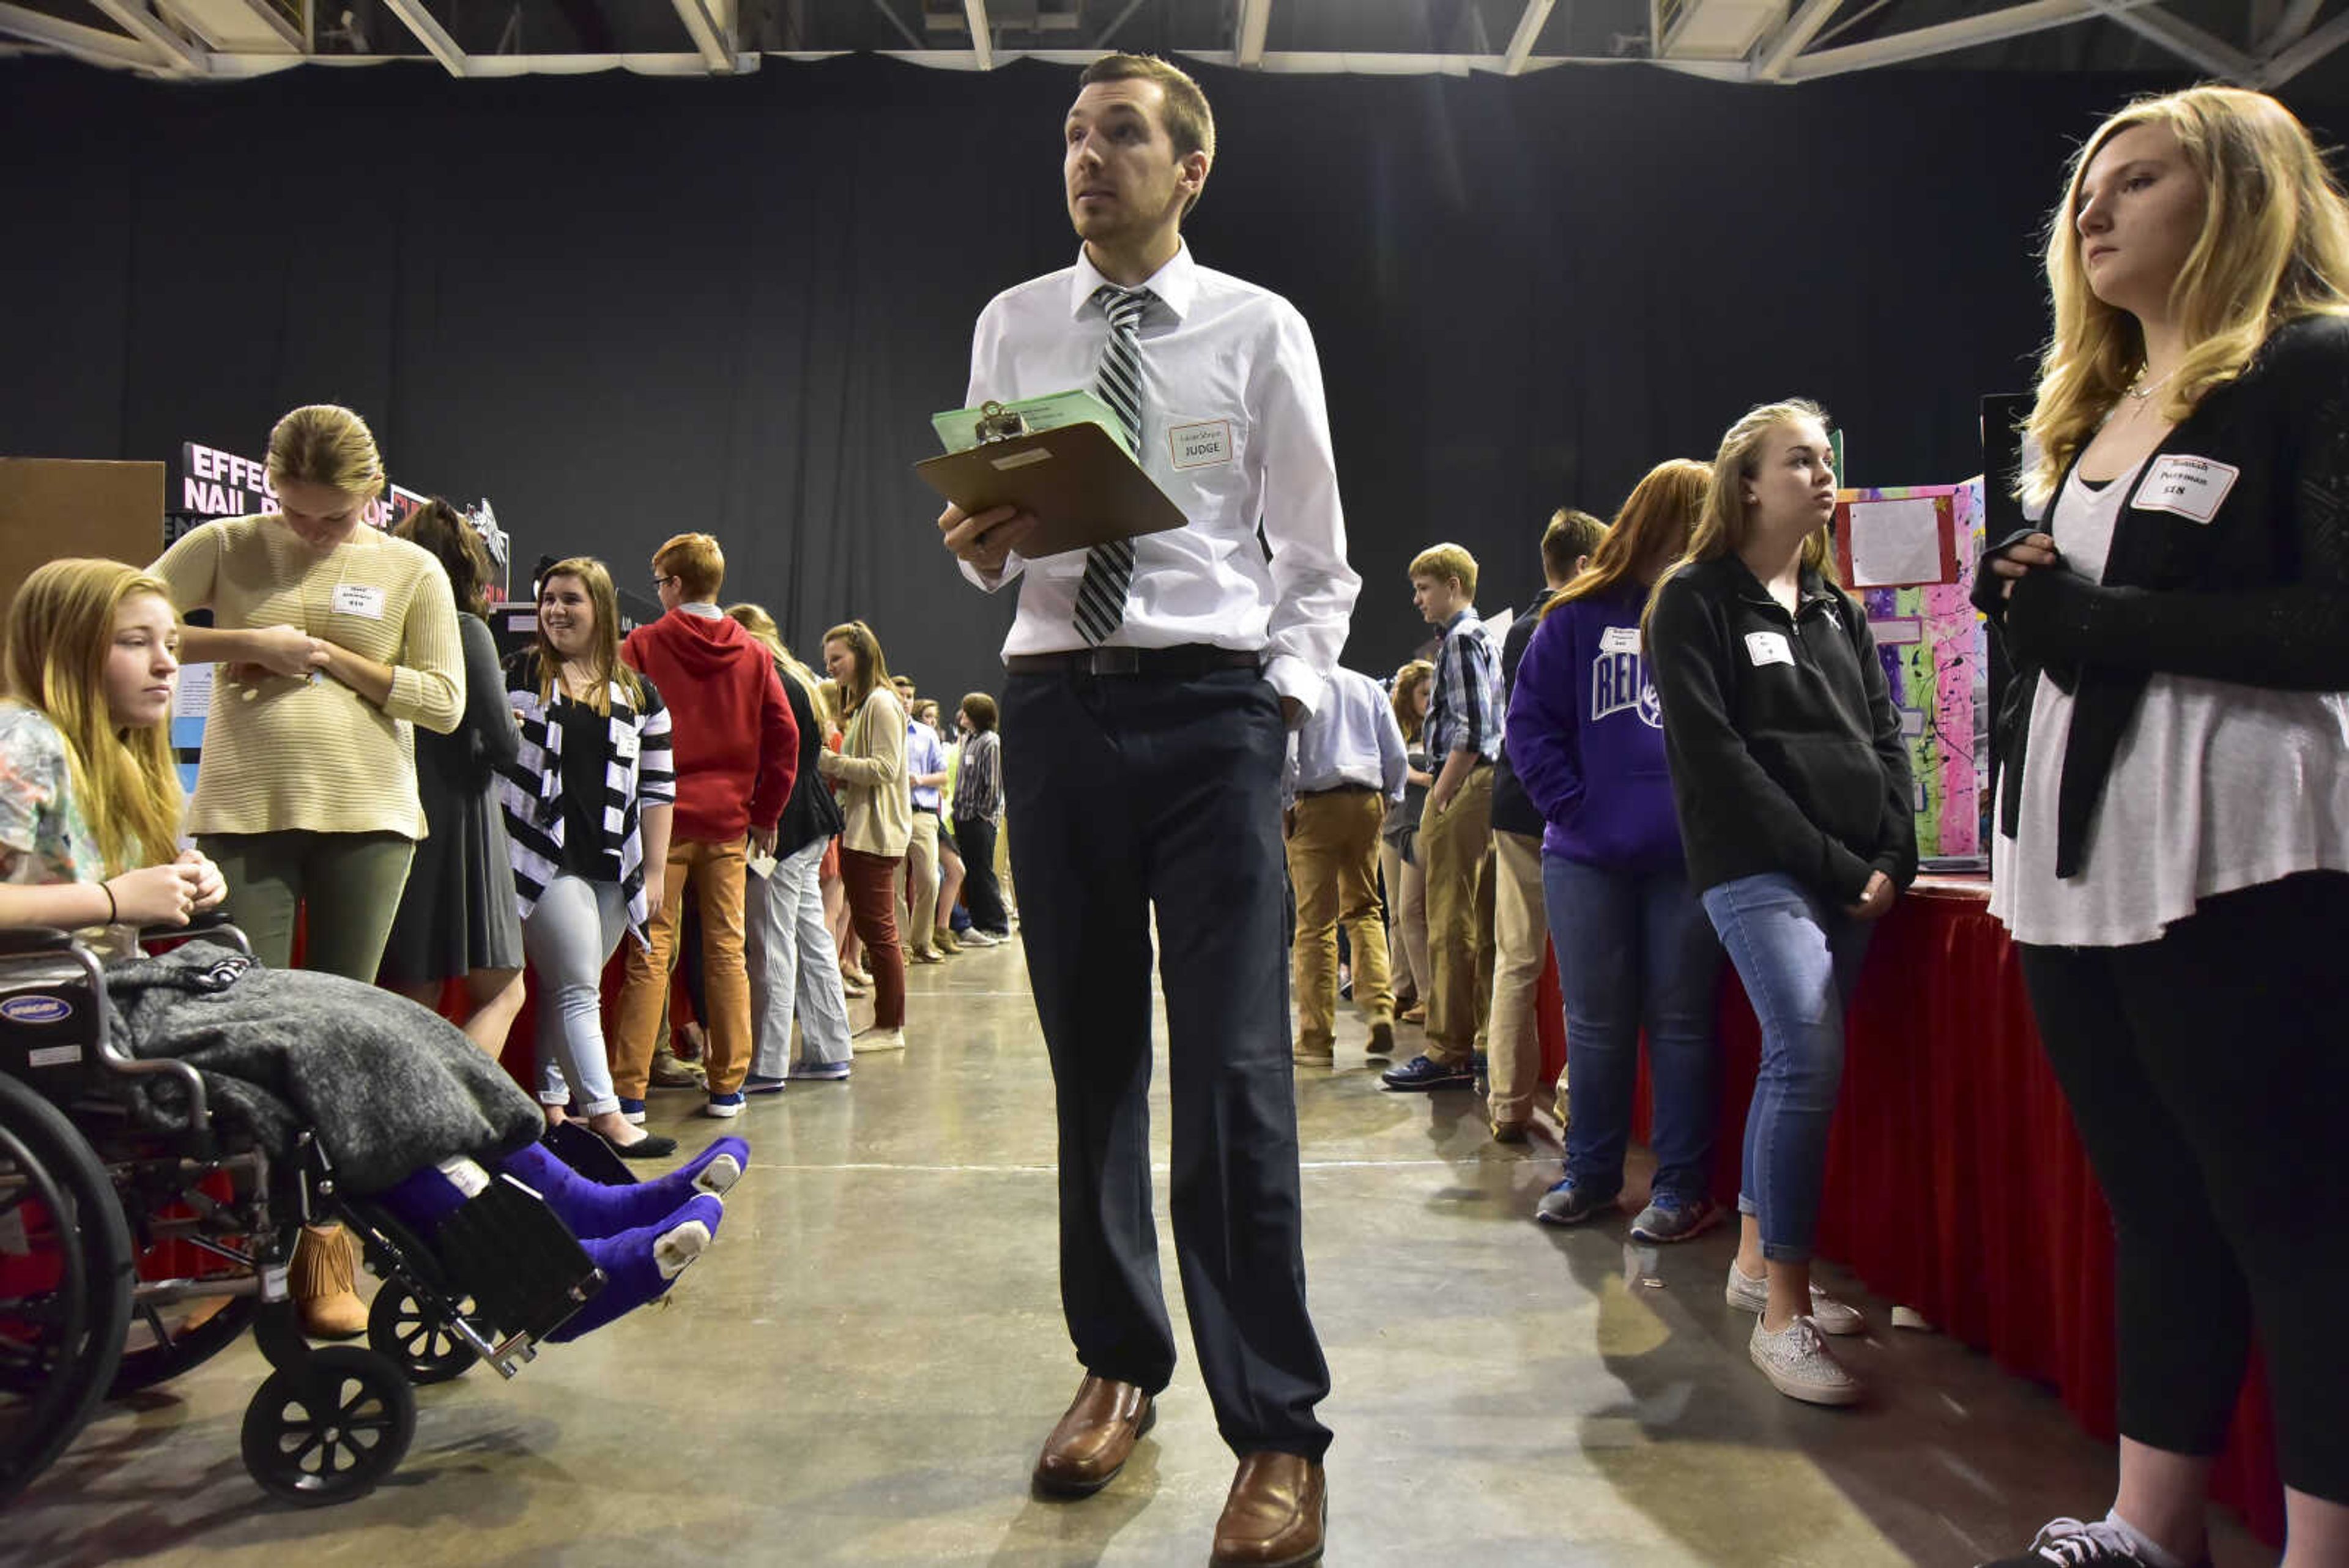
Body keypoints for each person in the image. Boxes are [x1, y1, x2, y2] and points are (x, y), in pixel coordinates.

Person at [935, 51, 1356, 1567]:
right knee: (1094, 1066)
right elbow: (993, 545)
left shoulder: (1258, 328)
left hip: (1207, 713)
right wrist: (977, 539)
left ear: (1190, 169)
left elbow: (1316, 559)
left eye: (1120, 133)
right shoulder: (1013, 322)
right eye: (1071, 133)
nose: (1084, 155)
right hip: (1053, 708)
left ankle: (1278, 1432)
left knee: (1236, 1077)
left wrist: (1283, 706)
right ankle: (1117, 1363)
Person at [0, 559, 738, 1345]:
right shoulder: (24, 740)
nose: (166, 662)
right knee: (354, 1046)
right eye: (134, 643)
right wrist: (119, 900)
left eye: (169, 641)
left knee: (389, 1021)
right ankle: (559, 1266)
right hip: (77, 1013)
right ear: (69, 649)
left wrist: (170, 881)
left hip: (128, 993)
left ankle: (580, 1206)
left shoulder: (103, 751)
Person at [1974, 87, 2349, 1568]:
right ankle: (2148, 1523)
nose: (2092, 209)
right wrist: (2033, 590)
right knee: (2156, 1210)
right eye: (2084, 189)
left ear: (2243, 197)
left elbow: (2332, 617)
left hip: (2242, 850)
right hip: (2081, 868)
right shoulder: (2096, 408)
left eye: (2136, 181)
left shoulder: (2316, 364)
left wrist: (2088, 612)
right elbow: (2079, 634)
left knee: (2296, 1223)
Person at [147, 403, 466, 1340]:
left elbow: (443, 703)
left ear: (375, 491)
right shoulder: (226, 543)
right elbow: (118, 628)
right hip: (244, 815)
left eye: (334, 515)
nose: (314, 531)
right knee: (236, 1043)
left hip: (369, 818)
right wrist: (245, 641)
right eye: (296, 510)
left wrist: (329, 657)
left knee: (334, 1040)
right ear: (269, 485)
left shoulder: (412, 565)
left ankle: (327, 1249)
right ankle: (237, 1251)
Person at [1647, 399, 1916, 1408]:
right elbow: (1716, 760)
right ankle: (1784, 1315)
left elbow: (1885, 737)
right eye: (1799, 459)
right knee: (1806, 1052)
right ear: (1747, 483)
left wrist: (1898, 848)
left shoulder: (1838, 608)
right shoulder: (1695, 599)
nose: (1823, 474)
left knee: (1793, 1061)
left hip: (1851, 866)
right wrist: (1837, 865)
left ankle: (1759, 1261)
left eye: (1826, 459)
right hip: (1757, 868)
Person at [1510, 460, 1724, 1241]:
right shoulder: (1574, 616)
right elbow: (1528, 727)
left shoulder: (1714, 611)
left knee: (1681, 1024)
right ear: (1659, 520)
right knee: (1597, 1025)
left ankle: (1680, 1187)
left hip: (1688, 862)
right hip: (1588, 857)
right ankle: (1592, 1174)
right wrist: (1577, 808)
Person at [499, 558, 679, 1160]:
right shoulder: (518, 673)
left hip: (610, 866)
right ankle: (608, 1114)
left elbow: (657, 789)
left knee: (563, 984)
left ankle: (552, 1105)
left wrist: (653, 872)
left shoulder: (638, 692)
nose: (556, 610)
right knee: (579, 986)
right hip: (537, 859)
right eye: (548, 598)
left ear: (600, 607)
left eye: (571, 599)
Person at [612, 534, 796, 1119]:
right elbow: (785, 736)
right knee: (726, 952)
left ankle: (629, 1092)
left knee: (650, 951)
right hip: (726, 827)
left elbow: (618, 725)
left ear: (672, 584)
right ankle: (727, 1086)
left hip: (656, 824)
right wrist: (765, 812)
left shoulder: (641, 644)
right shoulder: (753, 652)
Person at [376, 500, 527, 1060]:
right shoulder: (466, 630)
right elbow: (504, 745)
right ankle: (451, 1117)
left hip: (400, 808)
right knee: (505, 991)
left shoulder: (388, 631)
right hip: (463, 819)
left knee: (415, 989)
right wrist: (504, 725)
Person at [1482, 508, 1605, 1140]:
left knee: (1518, 957)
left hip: (1516, 809)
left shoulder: (1522, 628)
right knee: (1581, 965)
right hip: (1569, 811)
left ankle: (1506, 1102)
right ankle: (1572, 1100)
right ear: (1584, 565)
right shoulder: (1580, 626)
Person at [1381, 544, 1501, 1094]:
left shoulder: (1459, 640)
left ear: (1454, 585)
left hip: (1465, 786)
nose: (1417, 599)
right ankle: (1473, 1044)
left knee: (1447, 921)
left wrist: (1442, 794)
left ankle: (1448, 1050)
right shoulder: (1478, 640)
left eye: (1425, 588)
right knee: (1468, 920)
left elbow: (1471, 732)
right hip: (1481, 788)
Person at [724, 603, 854, 1090]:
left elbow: (775, 757)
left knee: (772, 944)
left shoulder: (766, 677)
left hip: (782, 827)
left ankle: (768, 1062)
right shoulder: (796, 676)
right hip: (811, 819)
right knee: (811, 938)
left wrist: (764, 817)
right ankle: (829, 1049)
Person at [1282, 666, 1408, 1065]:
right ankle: (1379, 1009)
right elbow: (1396, 752)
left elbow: (1288, 748)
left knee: (1315, 924)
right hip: (1367, 798)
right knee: (1365, 909)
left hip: (1317, 802)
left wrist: (1285, 802)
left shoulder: (1300, 683)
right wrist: (1393, 793)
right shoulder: (1368, 686)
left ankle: (1316, 1040)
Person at [815, 620, 910, 1051]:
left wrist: (831, 763)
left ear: (861, 654)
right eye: (828, 661)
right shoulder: (869, 703)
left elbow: (886, 769)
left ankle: (890, 1025)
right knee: (876, 930)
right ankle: (887, 1021)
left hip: (874, 834)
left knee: (880, 933)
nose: (831, 667)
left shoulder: (882, 704)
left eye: (838, 658)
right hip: (862, 831)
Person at [1380, 660, 1435, 1025]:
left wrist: (1408, 774)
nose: (1429, 701)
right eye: (1423, 693)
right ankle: (1402, 990)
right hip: (1391, 826)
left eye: (1433, 693)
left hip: (1419, 824)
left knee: (1413, 911)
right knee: (1397, 916)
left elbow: (1435, 775)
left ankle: (1431, 997)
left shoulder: (1438, 727)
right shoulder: (1395, 728)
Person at [950, 693, 1012, 943]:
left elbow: (995, 785)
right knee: (972, 873)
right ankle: (978, 923)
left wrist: (984, 816)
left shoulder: (991, 742)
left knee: (983, 873)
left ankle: (997, 925)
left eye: (967, 711)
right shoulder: (968, 739)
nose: (962, 715)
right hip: (963, 817)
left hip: (979, 821)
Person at [899, 689, 949, 964]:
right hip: (892, 813)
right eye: (900, 695)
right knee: (894, 885)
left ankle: (922, 941)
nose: (904, 700)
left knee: (930, 879)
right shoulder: (884, 729)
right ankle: (901, 945)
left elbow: (943, 775)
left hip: (923, 813)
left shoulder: (927, 734)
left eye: (908, 696)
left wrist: (919, 780)